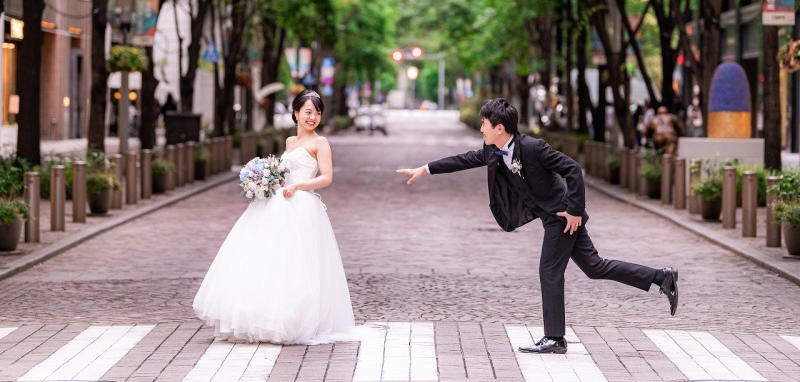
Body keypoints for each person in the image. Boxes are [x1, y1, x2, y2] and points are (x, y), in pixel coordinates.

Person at [397, 98, 678, 355]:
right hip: (551, 217)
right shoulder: (493, 151)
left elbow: (573, 170)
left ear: (499, 127)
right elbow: (465, 159)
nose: (481, 128)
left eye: (484, 124)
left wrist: (574, 211)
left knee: (549, 271)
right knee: (595, 267)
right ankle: (660, 276)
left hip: (562, 217)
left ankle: (555, 338)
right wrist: (426, 169)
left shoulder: (533, 147)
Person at [193, 90, 355, 344]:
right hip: (278, 202)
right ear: (296, 113)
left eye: (317, 113)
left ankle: (296, 319)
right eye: (308, 112)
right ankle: (263, 316)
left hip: (302, 205)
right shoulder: (290, 142)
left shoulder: (320, 143)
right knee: (267, 258)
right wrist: (264, 180)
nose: (313, 117)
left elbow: (327, 177)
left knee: (298, 262)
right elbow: (283, 171)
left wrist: (299, 187)